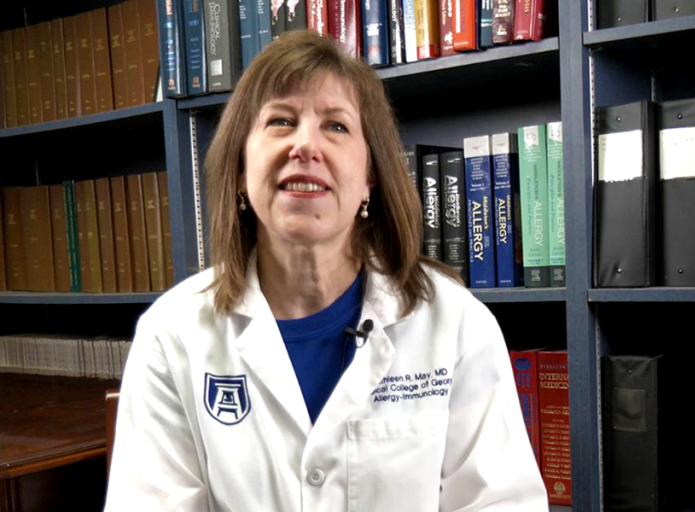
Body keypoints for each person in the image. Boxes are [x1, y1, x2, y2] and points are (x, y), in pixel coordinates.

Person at [104, 30, 547, 512]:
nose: (305, 146)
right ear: (238, 168)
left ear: (370, 177)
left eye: (336, 126)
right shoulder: (172, 336)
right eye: (280, 121)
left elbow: (501, 503)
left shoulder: (457, 324)